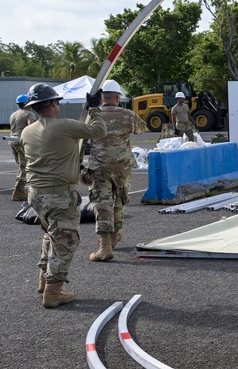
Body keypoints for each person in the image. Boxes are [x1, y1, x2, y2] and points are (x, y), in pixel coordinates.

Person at [20, 83, 107, 307]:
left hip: (36, 195)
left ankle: (44, 281)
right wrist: (95, 109)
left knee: (51, 235)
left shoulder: (27, 131)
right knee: (66, 242)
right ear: (52, 103)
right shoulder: (64, 126)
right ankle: (53, 293)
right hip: (58, 196)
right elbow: (99, 131)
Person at [86, 80, 148, 262]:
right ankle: (116, 234)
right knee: (119, 201)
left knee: (102, 204)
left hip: (99, 167)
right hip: (122, 167)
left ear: (101, 97)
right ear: (118, 97)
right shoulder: (127, 115)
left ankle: (105, 245)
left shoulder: (92, 115)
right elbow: (142, 129)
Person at [8, 94, 37, 201]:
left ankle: (20, 189)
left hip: (12, 141)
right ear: (26, 103)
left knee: (21, 165)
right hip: (21, 142)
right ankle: (18, 191)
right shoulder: (29, 114)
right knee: (24, 167)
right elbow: (31, 128)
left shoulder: (14, 114)